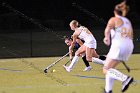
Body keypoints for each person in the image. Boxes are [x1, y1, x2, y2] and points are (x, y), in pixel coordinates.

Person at [103, 2, 134, 93]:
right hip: (129, 47)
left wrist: (106, 38)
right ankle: (108, 90)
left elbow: (107, 30)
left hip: (119, 46)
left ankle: (125, 79)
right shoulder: (127, 21)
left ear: (114, 11)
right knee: (110, 69)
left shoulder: (114, 19)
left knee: (106, 69)